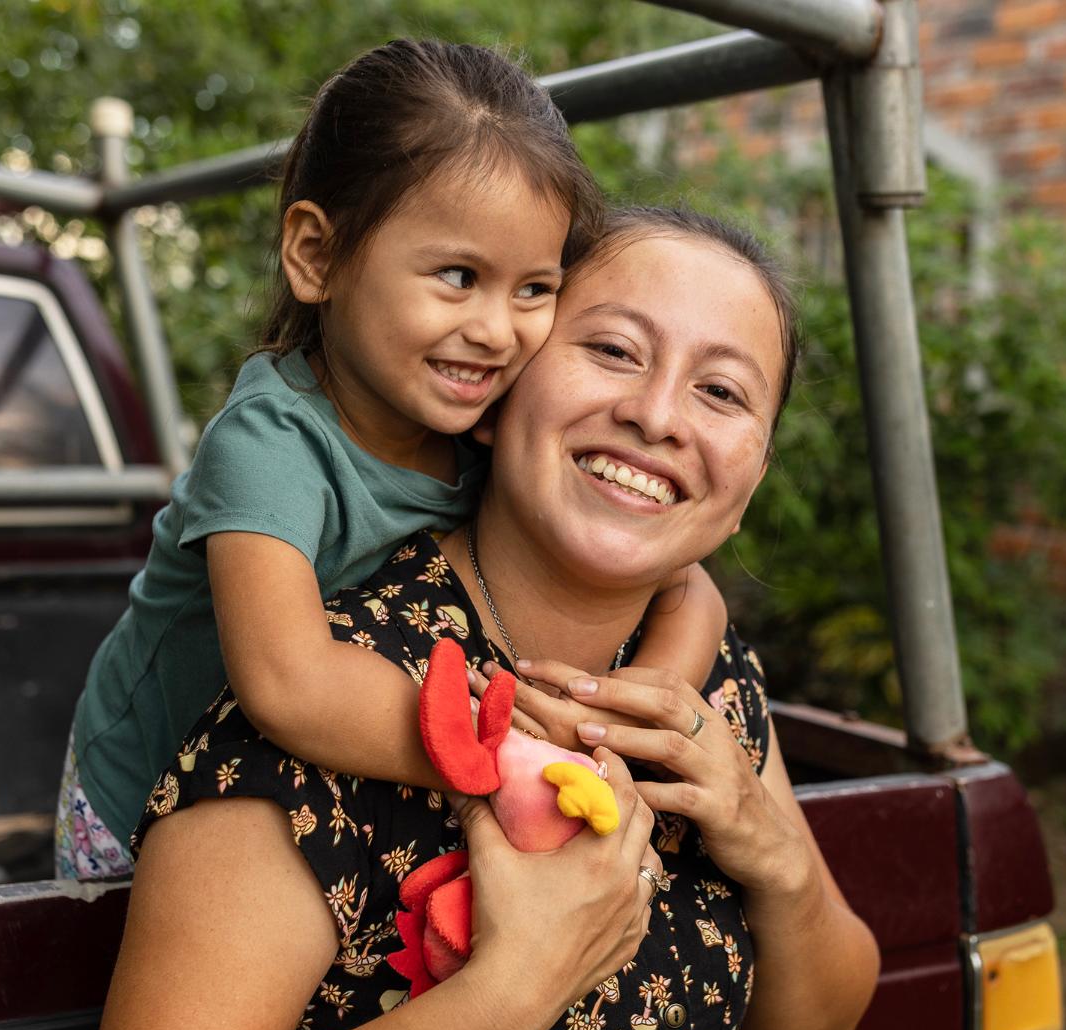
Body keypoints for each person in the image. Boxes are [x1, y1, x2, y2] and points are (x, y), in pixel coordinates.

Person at [76, 207, 880, 1030]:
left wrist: (772, 852)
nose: (657, 415)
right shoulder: (344, 700)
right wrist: (499, 1002)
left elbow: (815, 1026)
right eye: (612, 352)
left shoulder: (705, 684)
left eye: (720, 391)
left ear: (750, 475)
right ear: (499, 395)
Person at [55, 39, 727, 881]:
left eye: (533, 289)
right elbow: (289, 682)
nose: (496, 329)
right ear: (316, 256)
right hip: (140, 796)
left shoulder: (492, 420)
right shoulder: (271, 442)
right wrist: (509, 749)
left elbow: (688, 586)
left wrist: (608, 729)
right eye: (457, 276)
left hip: (328, 785)